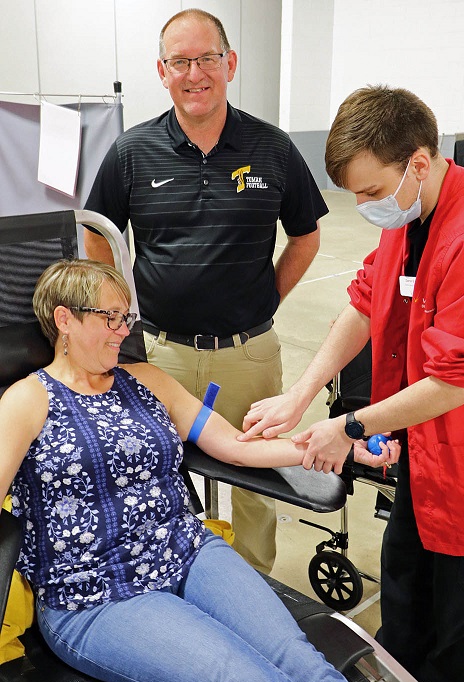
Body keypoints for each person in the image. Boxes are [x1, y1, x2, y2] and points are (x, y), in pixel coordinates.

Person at [0, 258, 430, 682]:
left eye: (126, 318)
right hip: (99, 595)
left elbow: (233, 447)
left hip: (188, 552)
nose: (124, 331)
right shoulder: (26, 401)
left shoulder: (145, 380)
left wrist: (333, 444)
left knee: (304, 665)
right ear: (64, 320)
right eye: (110, 319)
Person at [240, 85, 464, 682]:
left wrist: (347, 427)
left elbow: (455, 383)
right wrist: (298, 393)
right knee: (403, 604)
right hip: (426, 465)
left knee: (458, 641)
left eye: (371, 193)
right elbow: (367, 299)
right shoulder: (410, 219)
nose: (365, 207)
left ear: (417, 163)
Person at [82, 7, 328, 575]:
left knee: (256, 485)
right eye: (180, 62)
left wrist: (266, 301)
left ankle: (254, 587)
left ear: (230, 64)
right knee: (149, 472)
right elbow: (98, 237)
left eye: (207, 58)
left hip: (249, 356)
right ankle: (168, 581)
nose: (195, 73)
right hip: (157, 355)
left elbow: (307, 237)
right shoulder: (131, 152)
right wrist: (119, 313)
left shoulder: (272, 148)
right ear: (162, 71)